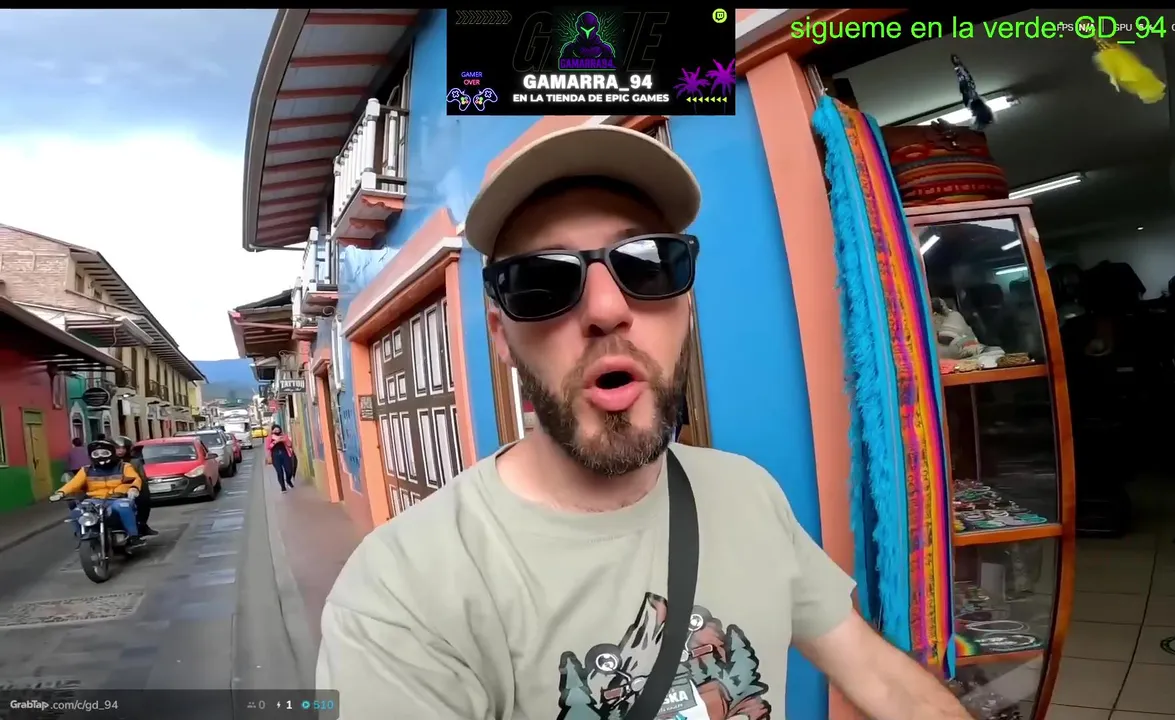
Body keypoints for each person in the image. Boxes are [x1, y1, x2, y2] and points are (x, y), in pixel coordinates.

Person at [315, 125, 971, 719]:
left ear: (686, 304)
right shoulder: (402, 593)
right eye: (544, 280)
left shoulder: (747, 494)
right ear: (500, 335)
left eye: (648, 263)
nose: (606, 309)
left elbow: (878, 677)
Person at [49, 438, 144, 546]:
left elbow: (134, 479)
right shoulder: (86, 470)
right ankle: (82, 537)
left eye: (104, 453)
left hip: (118, 498)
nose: (100, 456)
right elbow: (73, 484)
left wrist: (133, 488)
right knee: (76, 512)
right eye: (96, 454)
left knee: (123, 507)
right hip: (94, 500)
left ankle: (133, 536)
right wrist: (61, 493)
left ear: (112, 453)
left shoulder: (124, 466)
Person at [115, 436, 158, 537]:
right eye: (117, 448)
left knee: (144, 500)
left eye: (123, 448)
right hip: (115, 491)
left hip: (133, 489)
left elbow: (141, 477)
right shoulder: (109, 462)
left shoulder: (134, 461)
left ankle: (141, 525)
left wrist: (138, 488)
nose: (120, 451)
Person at [264, 425, 295, 492]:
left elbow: (290, 445)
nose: (277, 431)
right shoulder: (269, 438)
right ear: (272, 431)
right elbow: (268, 447)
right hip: (275, 457)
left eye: (278, 430)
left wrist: (285, 440)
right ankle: (283, 487)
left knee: (289, 470)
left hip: (285, 455)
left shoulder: (284, 436)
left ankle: (288, 480)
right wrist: (276, 441)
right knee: (279, 472)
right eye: (275, 430)